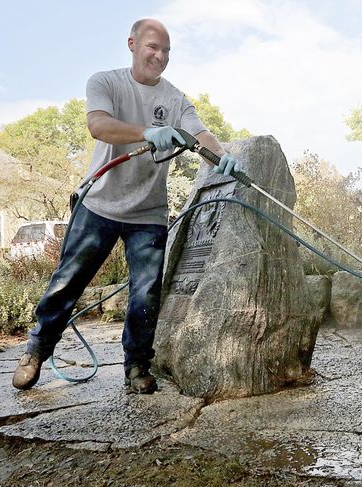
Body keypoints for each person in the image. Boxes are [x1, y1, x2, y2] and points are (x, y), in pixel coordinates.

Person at [12, 18, 243, 394]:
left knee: (146, 292)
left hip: (148, 213)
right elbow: (98, 125)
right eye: (153, 47)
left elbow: (200, 134)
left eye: (166, 50)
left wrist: (223, 155)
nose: (160, 56)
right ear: (132, 43)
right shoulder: (105, 82)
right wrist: (146, 132)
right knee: (69, 281)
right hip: (99, 204)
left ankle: (137, 366)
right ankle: (36, 351)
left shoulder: (175, 99)